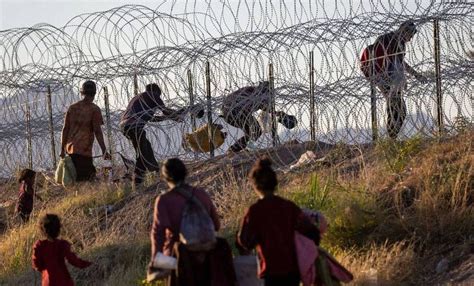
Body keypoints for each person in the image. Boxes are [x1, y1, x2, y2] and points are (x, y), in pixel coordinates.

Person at [150, 158, 236, 286]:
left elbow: (158, 235)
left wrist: (155, 263)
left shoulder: (164, 200)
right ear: (185, 173)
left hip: (180, 260)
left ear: (165, 177)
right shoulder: (201, 194)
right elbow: (216, 226)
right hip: (209, 259)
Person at [237, 158, 320, 286]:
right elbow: (313, 233)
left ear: (255, 186)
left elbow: (244, 241)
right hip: (292, 269)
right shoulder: (289, 207)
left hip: (270, 270)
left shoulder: (254, 211)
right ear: (275, 183)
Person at [363, 20, 428, 139]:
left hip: (393, 81)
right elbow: (378, 60)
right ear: (405, 31)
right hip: (384, 79)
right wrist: (382, 82)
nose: (411, 39)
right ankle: (392, 138)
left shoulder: (401, 44)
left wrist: (415, 74)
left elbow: (400, 62)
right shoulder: (387, 39)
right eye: (411, 35)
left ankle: (392, 138)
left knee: (399, 110)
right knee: (396, 109)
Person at [120, 83, 183, 186]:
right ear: (156, 91)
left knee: (146, 148)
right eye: (159, 95)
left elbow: (152, 118)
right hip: (135, 126)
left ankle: (154, 170)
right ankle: (137, 182)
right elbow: (165, 111)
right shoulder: (153, 95)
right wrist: (176, 115)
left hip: (126, 126)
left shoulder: (139, 98)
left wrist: (170, 117)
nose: (159, 98)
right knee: (142, 154)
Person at [222, 81, 296, 152]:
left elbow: (266, 108)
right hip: (235, 112)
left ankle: (237, 148)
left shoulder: (251, 91)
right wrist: (280, 115)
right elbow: (266, 107)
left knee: (252, 131)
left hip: (228, 111)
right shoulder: (257, 95)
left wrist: (278, 114)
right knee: (256, 131)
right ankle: (237, 149)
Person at [60, 80, 111, 181]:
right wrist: (104, 150)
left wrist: (62, 149)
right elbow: (97, 131)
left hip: (70, 151)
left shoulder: (72, 108)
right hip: (84, 152)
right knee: (88, 181)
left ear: (81, 92)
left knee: (75, 180)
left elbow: (65, 129)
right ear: (95, 93)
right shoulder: (94, 109)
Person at [32, 214, 92, 286]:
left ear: (42, 230)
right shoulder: (62, 244)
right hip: (64, 281)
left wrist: (44, 268)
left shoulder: (39, 245)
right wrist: (88, 264)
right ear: (58, 229)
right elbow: (73, 260)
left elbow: (36, 265)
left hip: (48, 282)